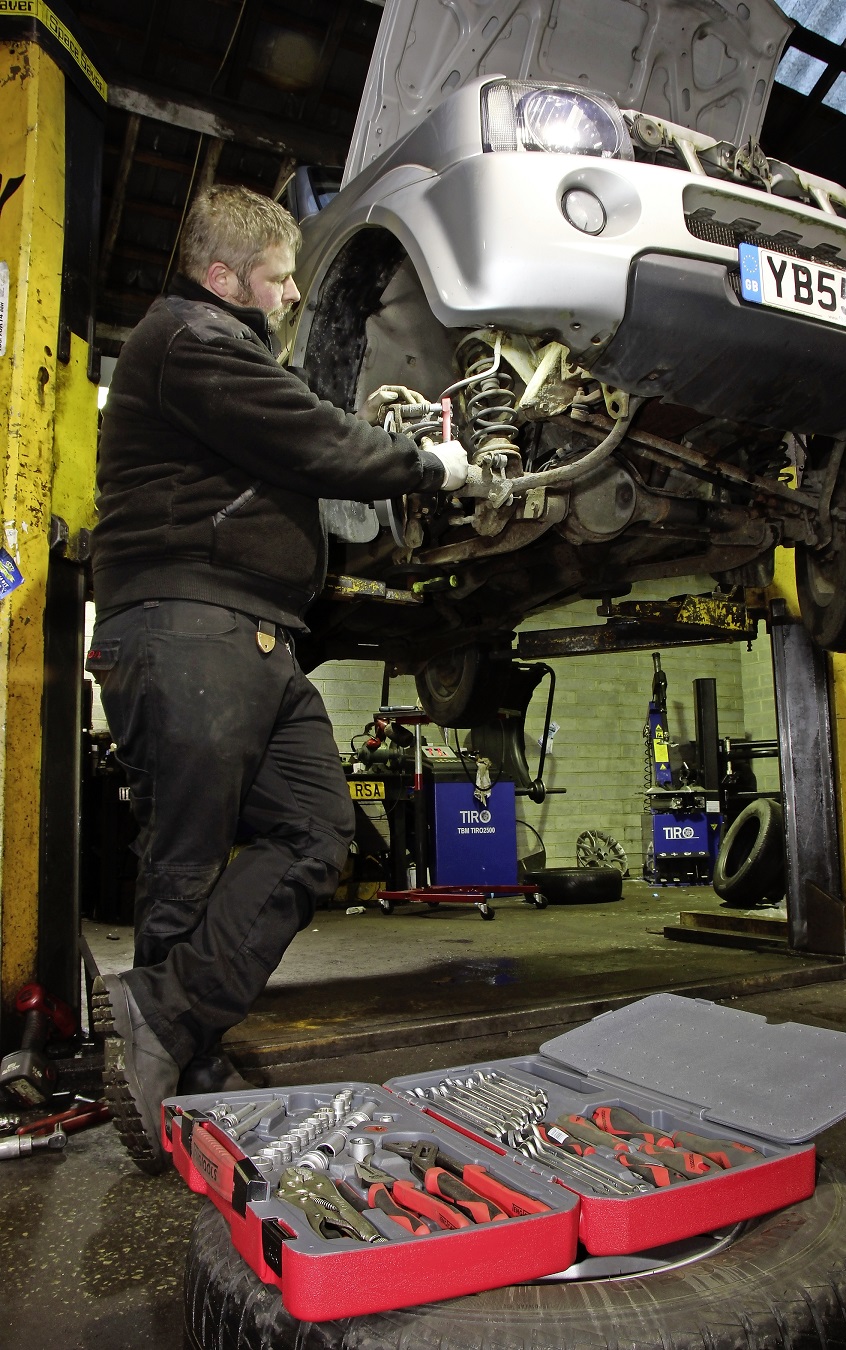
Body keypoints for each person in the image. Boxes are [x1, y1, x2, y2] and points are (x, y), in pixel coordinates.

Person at [86, 184, 468, 1172]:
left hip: (254, 636)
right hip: (189, 625)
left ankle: (164, 1022)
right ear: (224, 277)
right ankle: (179, 1065)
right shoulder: (188, 341)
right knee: (185, 857)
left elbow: (305, 437)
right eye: (278, 275)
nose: (296, 292)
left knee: (315, 830)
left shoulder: (226, 352)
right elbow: (317, 441)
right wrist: (435, 465)